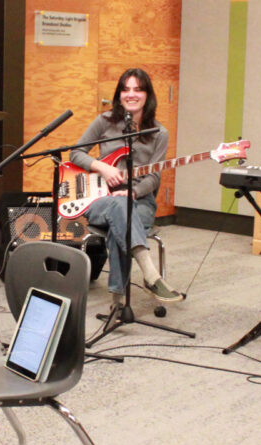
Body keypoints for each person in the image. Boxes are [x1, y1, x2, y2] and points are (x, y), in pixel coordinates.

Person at [69, 67, 183, 307]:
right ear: (119, 94)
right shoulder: (105, 121)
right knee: (120, 208)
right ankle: (150, 274)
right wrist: (103, 167)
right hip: (100, 199)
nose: (131, 95)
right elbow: (76, 153)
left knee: (120, 221)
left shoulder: (159, 133)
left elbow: (153, 178)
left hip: (140, 201)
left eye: (138, 90)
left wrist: (133, 192)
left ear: (147, 95)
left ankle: (118, 303)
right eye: (126, 89)